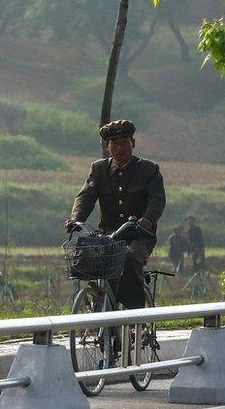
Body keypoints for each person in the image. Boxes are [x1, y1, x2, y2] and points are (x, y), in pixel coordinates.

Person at [66, 119, 166, 309]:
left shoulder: (148, 170)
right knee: (88, 262)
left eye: (124, 143)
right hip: (108, 235)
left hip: (139, 235)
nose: (120, 148)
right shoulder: (99, 169)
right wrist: (76, 219)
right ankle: (101, 310)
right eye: (115, 144)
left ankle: (135, 312)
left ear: (133, 143)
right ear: (108, 146)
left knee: (128, 259)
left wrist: (148, 220)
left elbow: (157, 200)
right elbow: (86, 196)